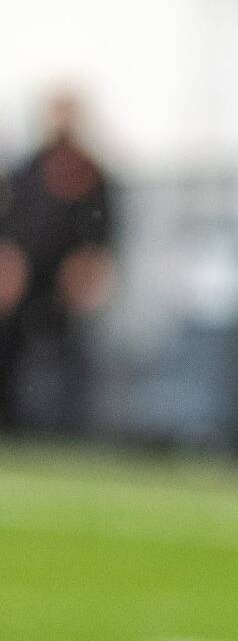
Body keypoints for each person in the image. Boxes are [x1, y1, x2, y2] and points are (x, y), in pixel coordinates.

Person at [0, 91, 116, 434]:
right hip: (24, 276)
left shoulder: (91, 172)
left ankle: (64, 427)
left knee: (70, 354)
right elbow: (12, 224)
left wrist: (90, 270)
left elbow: (102, 231)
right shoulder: (28, 170)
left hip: (66, 282)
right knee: (10, 346)